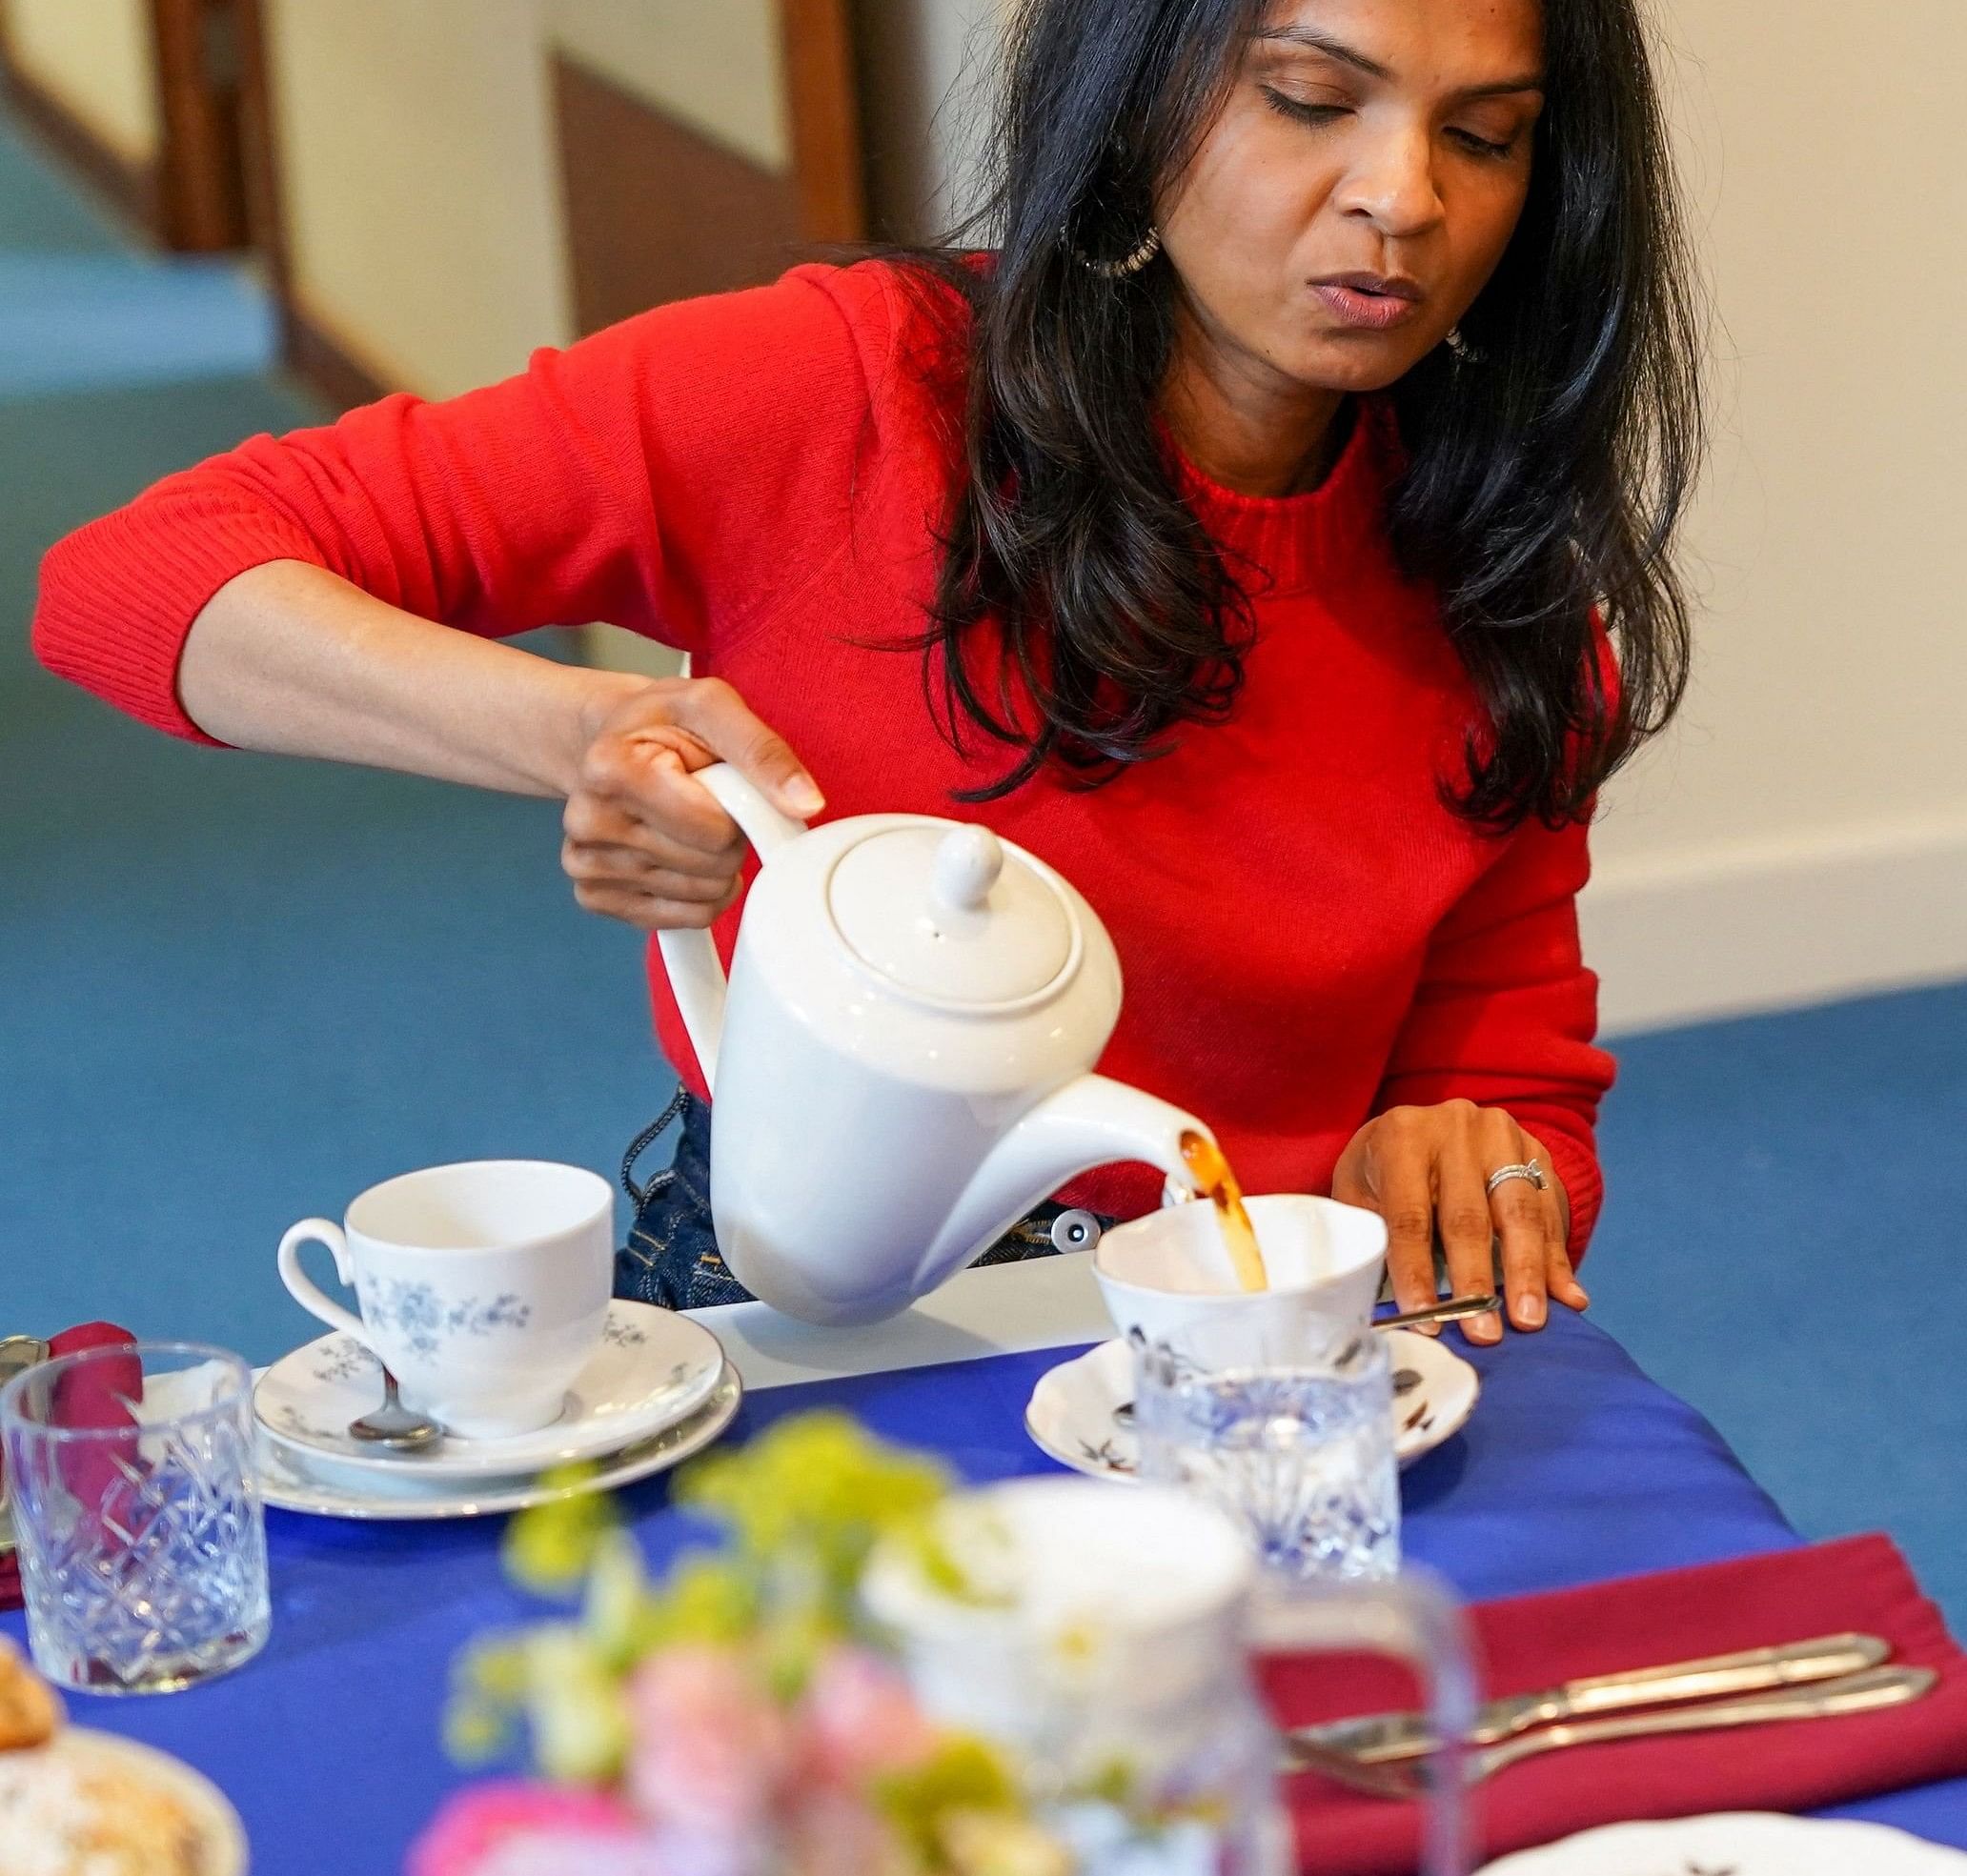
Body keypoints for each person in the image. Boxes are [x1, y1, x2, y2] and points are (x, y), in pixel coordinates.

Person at [30, 0, 1698, 1339]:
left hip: (1245, 1329)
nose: (1404, 198)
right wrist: (588, 727)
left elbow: (1510, 1072)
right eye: (1309, 99)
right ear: (1138, 99)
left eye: (1483, 136)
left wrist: (1481, 1152)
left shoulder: (1498, 581)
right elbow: (132, 581)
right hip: (808, 1297)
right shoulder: (844, 392)